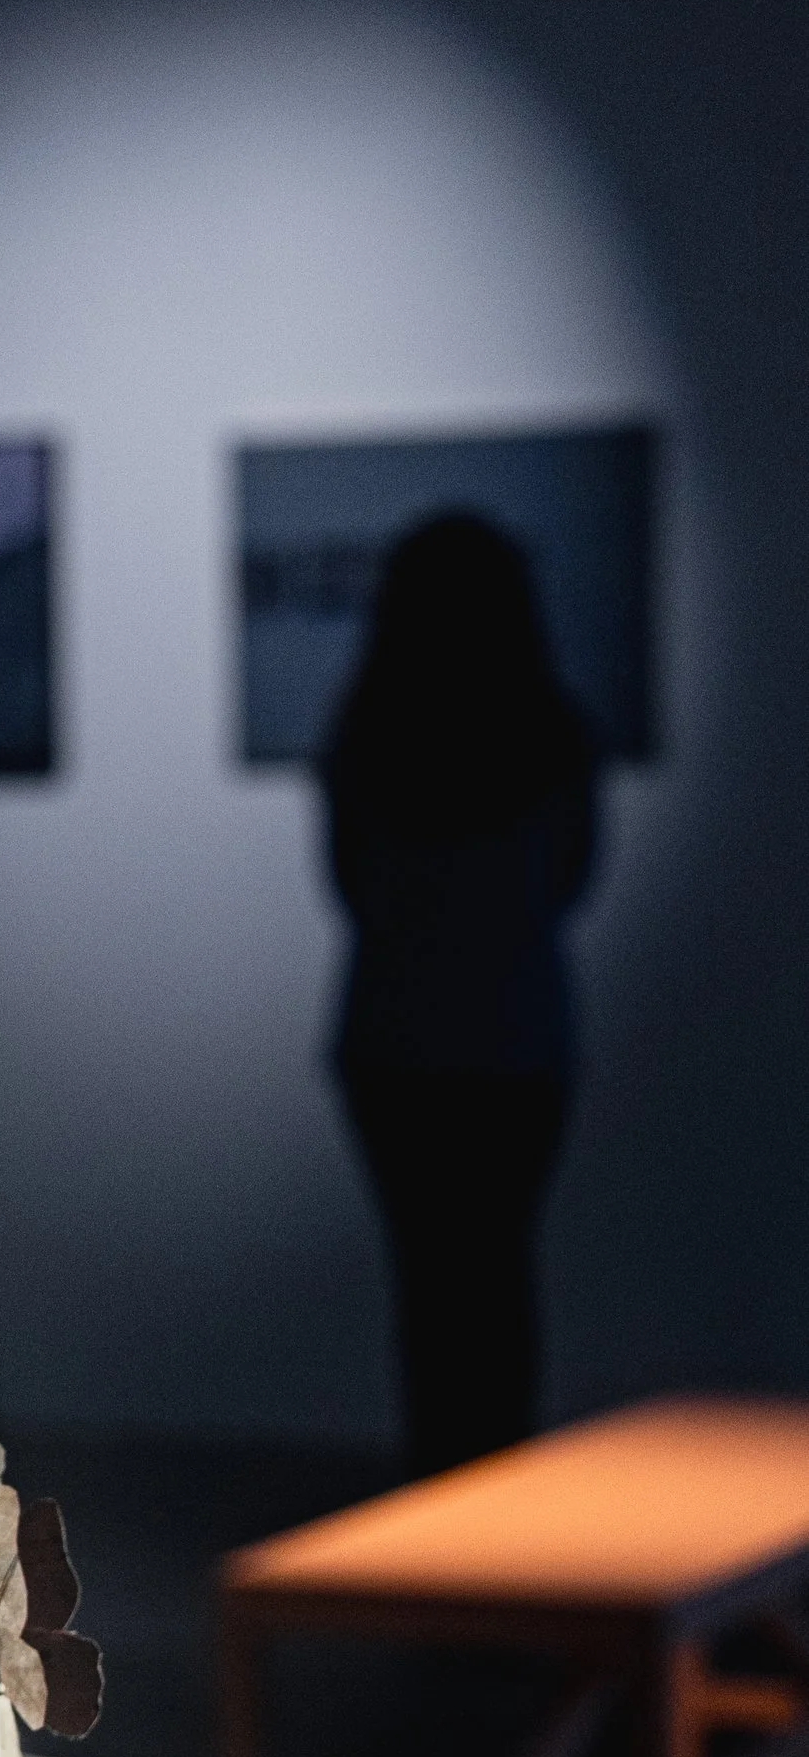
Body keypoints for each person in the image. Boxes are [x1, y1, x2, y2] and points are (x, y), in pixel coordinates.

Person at [320, 509, 601, 1477]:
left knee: (429, 1282)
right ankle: (496, 1487)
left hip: (397, 1038)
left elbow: (349, 883)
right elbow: (574, 878)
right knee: (498, 1275)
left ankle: (439, 1481)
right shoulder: (549, 731)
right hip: (516, 1038)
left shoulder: (368, 731)